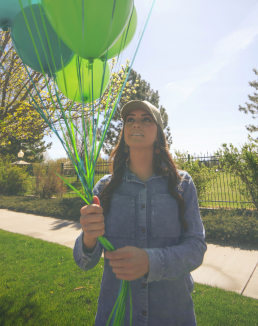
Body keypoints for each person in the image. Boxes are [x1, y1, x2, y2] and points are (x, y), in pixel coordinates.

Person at [73, 100, 207, 326]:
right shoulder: (104, 189)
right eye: (130, 120)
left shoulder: (182, 184)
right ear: (124, 132)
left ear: (159, 134)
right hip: (117, 316)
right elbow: (84, 263)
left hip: (173, 315)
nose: (137, 124)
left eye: (146, 119)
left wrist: (151, 261)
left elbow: (196, 248)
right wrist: (88, 238)